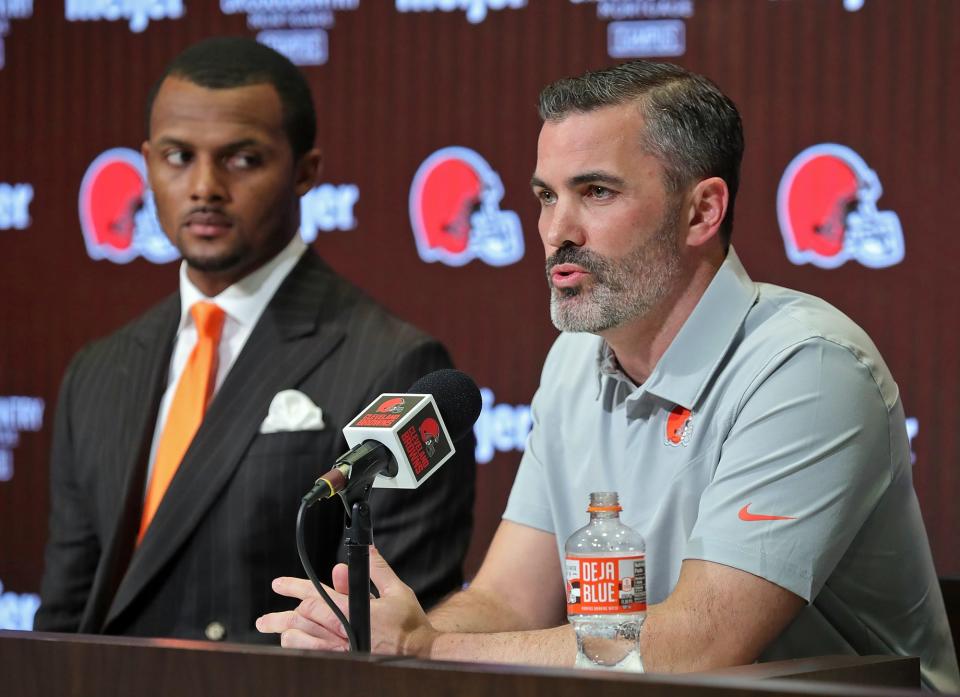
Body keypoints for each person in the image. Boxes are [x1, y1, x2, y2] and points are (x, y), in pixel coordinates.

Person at [257, 60, 959, 692]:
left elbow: (699, 644)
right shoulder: (574, 359)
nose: (557, 229)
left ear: (701, 211)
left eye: (594, 192)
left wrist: (431, 649)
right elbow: (507, 599)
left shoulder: (808, 366)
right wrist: (387, 631)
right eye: (544, 195)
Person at [34, 37, 475, 644]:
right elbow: (66, 614)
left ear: (306, 172)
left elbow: (399, 634)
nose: (205, 186)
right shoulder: (98, 369)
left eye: (242, 159)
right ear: (146, 164)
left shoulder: (393, 362)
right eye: (178, 156)